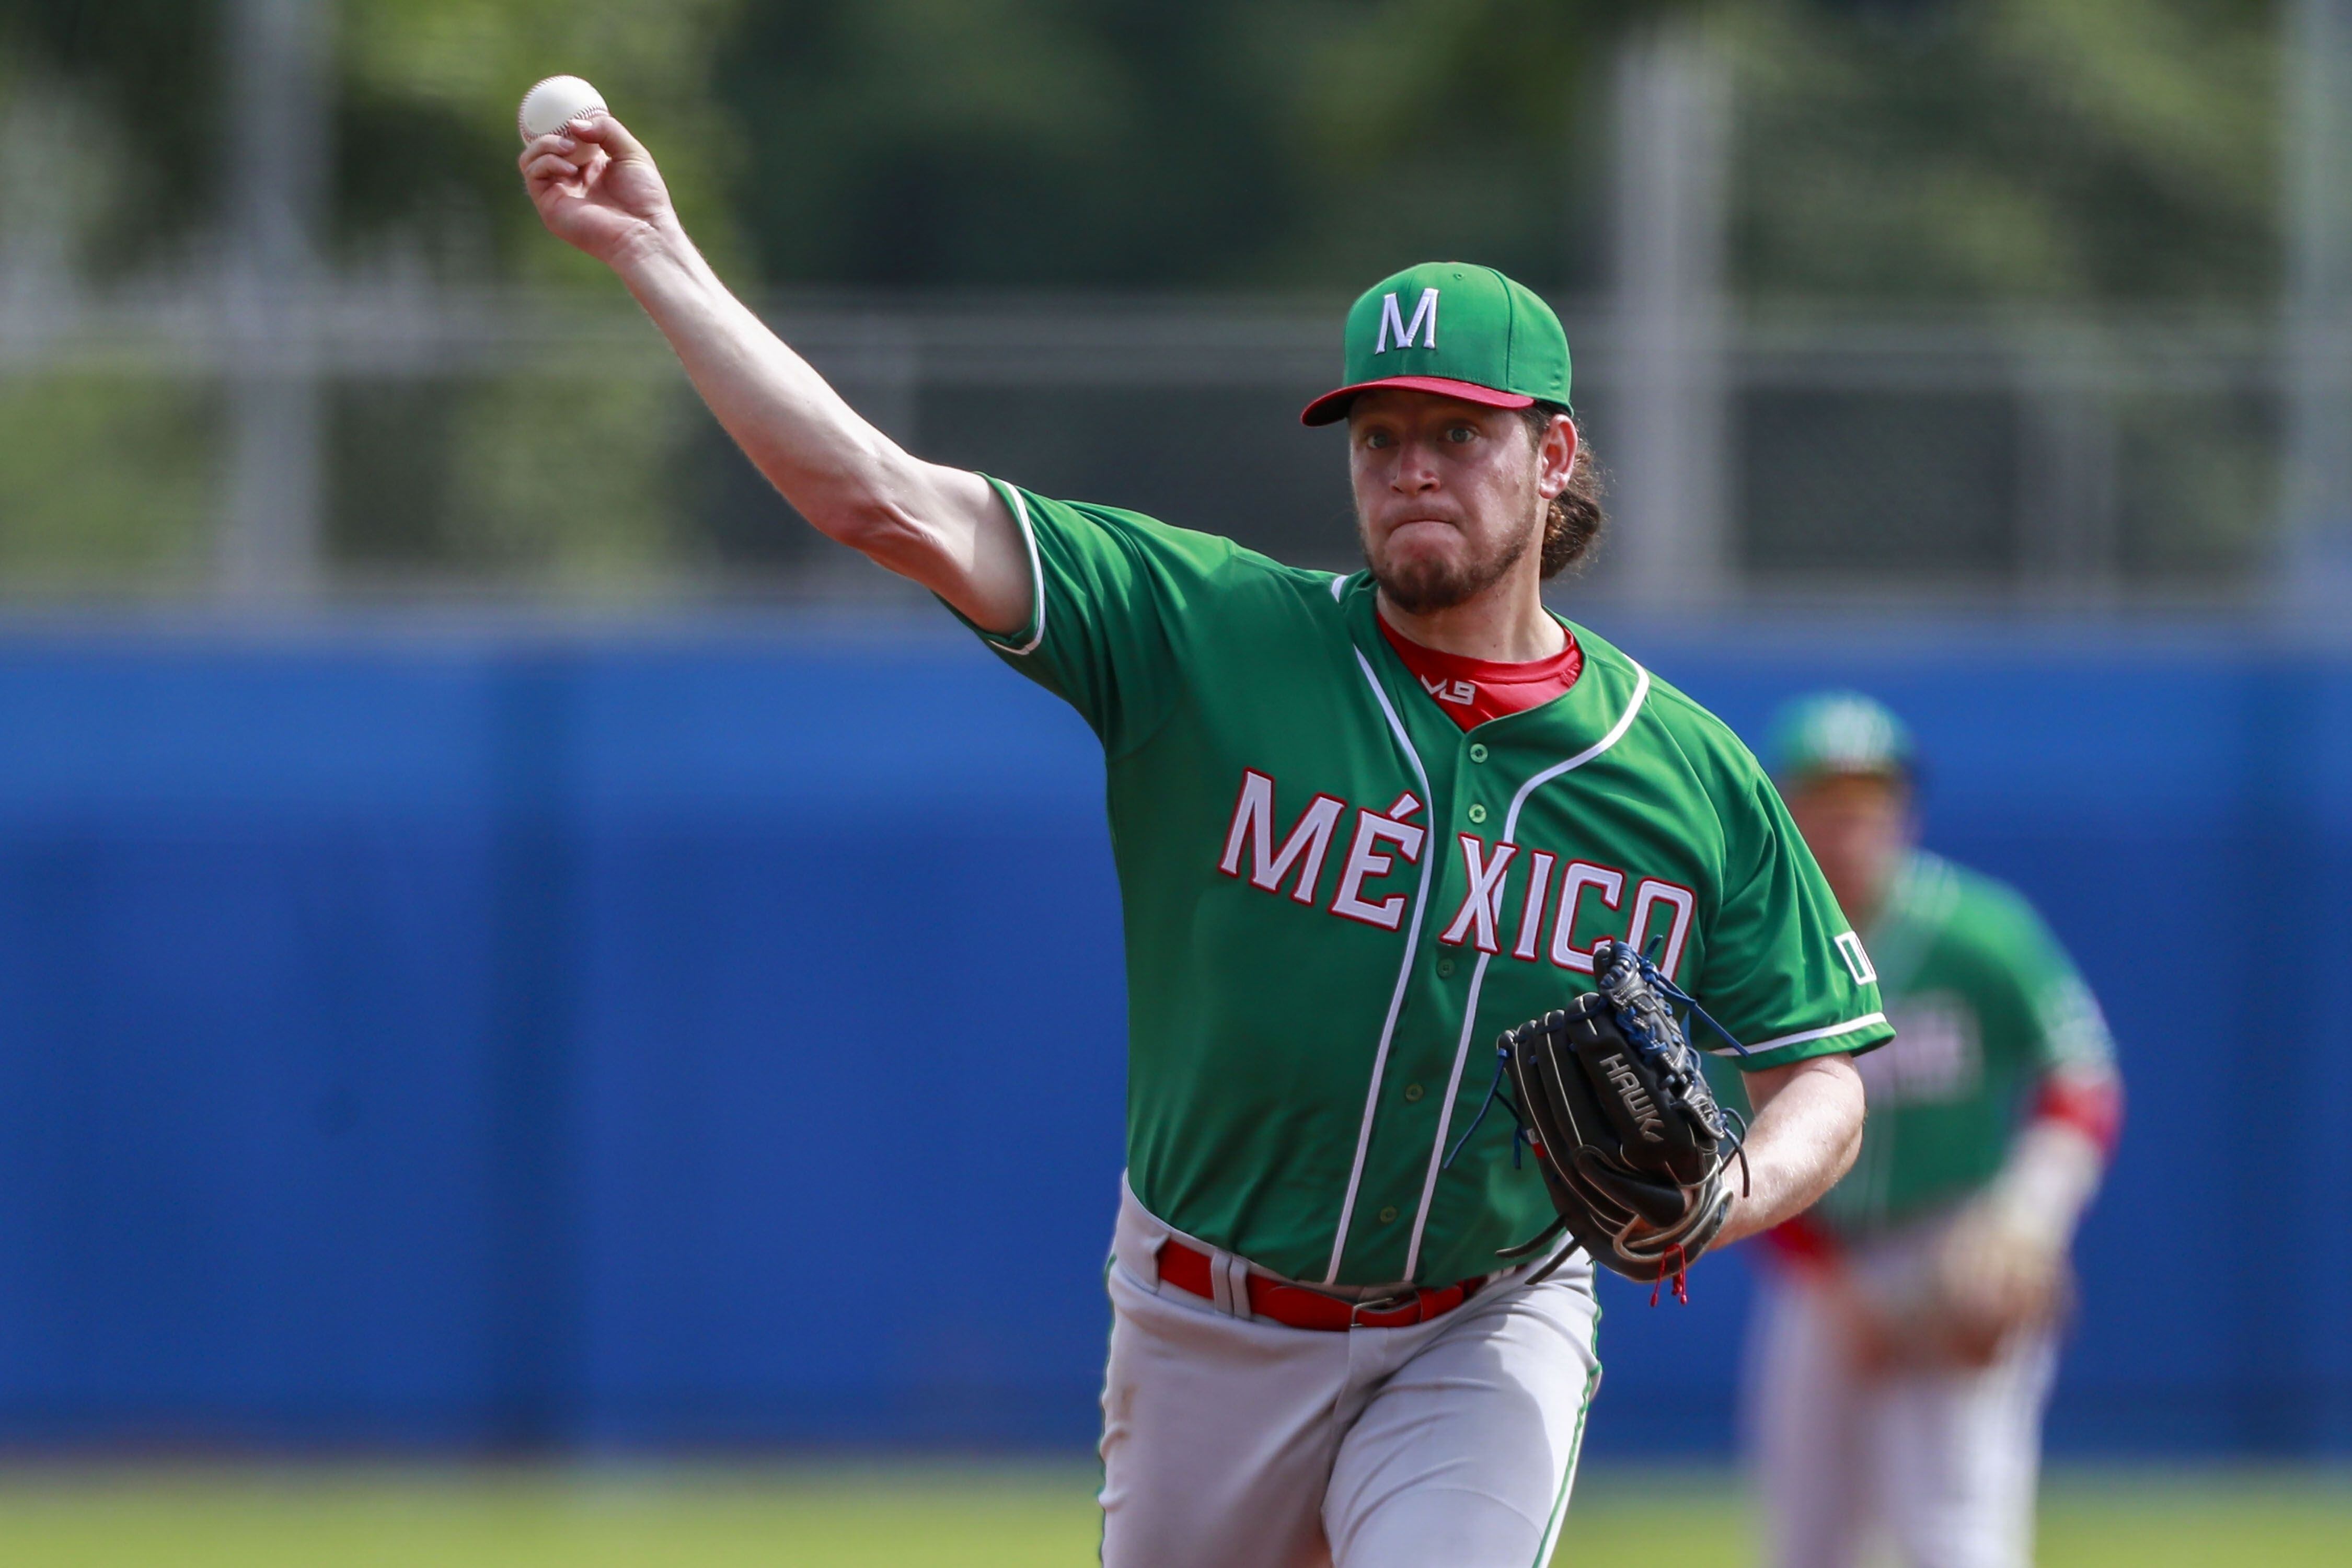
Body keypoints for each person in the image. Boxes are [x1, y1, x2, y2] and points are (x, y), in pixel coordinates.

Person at [520, 111, 1888, 1568]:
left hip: (1484, 1322)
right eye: (1380, 438)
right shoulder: (1206, 634)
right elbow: (878, 495)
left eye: (1458, 434)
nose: (1412, 469)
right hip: (1206, 1324)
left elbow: (1824, 1065)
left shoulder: (1682, 774)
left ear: (1552, 455)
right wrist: (653, 253)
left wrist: (1730, 1190)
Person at [1747, 692, 2124, 1568]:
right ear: (1786, 811)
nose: (1850, 821)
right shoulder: (1762, 953)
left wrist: (2025, 1221)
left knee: (1955, 1536)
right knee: (1804, 1541)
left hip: (1957, 1245)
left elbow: (2082, 1080)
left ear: (1902, 809)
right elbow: (1743, 1140)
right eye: (1826, 799)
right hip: (1820, 1261)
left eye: (1869, 799)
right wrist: (1834, 1288)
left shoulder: (1980, 932)